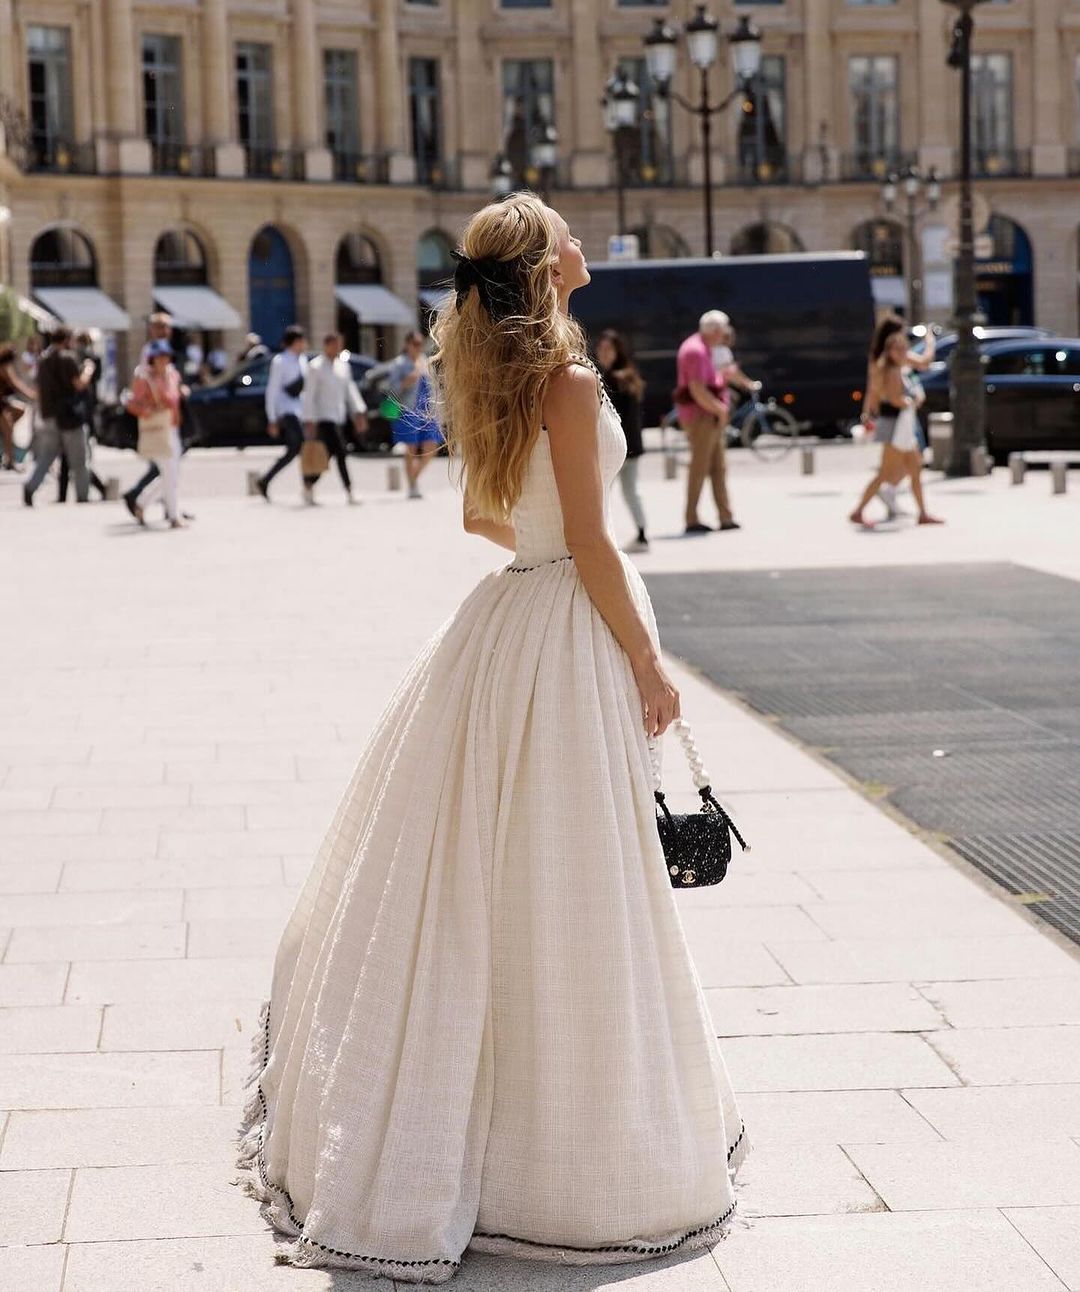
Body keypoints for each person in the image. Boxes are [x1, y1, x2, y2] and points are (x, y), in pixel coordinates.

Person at [238, 192, 749, 1278]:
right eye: (567, 230)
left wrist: (543, 536)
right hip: (568, 629)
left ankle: (481, 1124)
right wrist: (651, 665)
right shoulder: (565, 380)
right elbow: (598, 547)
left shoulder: (501, 374)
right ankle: (567, 1149)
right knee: (576, 877)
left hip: (509, 620)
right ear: (544, 264)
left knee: (504, 872)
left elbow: (485, 516)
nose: (581, 240)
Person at [850, 314, 943, 529]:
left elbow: (873, 391)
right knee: (885, 472)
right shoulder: (889, 367)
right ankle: (858, 510)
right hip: (894, 422)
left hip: (898, 422)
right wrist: (911, 400)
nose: (903, 351)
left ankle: (923, 513)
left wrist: (869, 413)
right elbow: (890, 397)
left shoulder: (884, 360)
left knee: (915, 467)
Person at [675, 309, 740, 534]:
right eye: (723, 330)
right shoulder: (695, 350)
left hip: (708, 415)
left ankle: (726, 516)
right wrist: (720, 409)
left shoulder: (704, 348)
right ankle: (691, 518)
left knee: (718, 467)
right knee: (700, 467)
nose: (725, 334)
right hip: (701, 416)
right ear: (714, 330)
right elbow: (697, 388)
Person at [22, 326, 95, 506]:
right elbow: (79, 385)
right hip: (69, 416)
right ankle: (82, 496)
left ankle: (31, 487)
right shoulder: (67, 358)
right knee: (79, 459)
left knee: (47, 456)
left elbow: (38, 389)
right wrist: (88, 370)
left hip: (48, 415)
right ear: (66, 340)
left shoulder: (43, 360)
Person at [595, 328, 648, 552]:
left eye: (609, 349)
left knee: (603, 493)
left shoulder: (614, 379)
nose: (604, 353)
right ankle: (642, 533)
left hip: (619, 447)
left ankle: (602, 536)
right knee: (628, 491)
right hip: (631, 446)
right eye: (602, 349)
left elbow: (613, 418)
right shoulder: (628, 375)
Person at [300, 332, 367, 504]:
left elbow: (349, 391)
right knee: (341, 453)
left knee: (328, 455)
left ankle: (308, 483)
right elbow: (309, 395)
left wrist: (358, 411)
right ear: (326, 345)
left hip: (339, 417)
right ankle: (349, 490)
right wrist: (309, 419)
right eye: (334, 344)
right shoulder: (315, 366)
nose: (337, 348)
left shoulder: (342, 366)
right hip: (323, 418)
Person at [124, 338, 185, 528]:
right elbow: (132, 403)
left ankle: (142, 503)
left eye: (166, 356)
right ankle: (174, 516)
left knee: (172, 474)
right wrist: (147, 409)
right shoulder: (145, 378)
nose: (163, 360)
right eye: (159, 357)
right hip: (156, 429)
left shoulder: (173, 375)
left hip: (172, 427)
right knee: (169, 471)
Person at [388, 328, 443, 499]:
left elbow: (434, 386)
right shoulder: (399, 364)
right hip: (408, 410)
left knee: (431, 447)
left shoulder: (424, 361)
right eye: (415, 344)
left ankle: (413, 478)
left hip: (427, 412)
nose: (418, 347)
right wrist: (407, 381)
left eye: (420, 344)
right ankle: (412, 485)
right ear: (407, 345)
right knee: (410, 449)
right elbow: (391, 390)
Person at [256, 325, 308, 502]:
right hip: (287, 410)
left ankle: (266, 480)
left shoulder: (302, 361)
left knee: (295, 449)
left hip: (299, 410)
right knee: (300, 445)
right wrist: (272, 417)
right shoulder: (280, 361)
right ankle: (307, 485)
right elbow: (272, 390)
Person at [58, 332, 107, 502]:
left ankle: (65, 494)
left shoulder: (84, 359)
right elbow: (81, 383)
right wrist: (88, 369)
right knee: (79, 455)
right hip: (78, 411)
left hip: (79, 410)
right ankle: (96, 490)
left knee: (72, 455)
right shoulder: (80, 360)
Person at [0, 342, 36, 471]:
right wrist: (32, 395)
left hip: (3, 402)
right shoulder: (4, 368)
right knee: (8, 430)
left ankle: (3, 439)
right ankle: (10, 460)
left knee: (19, 410)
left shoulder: (5, 366)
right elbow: (16, 384)